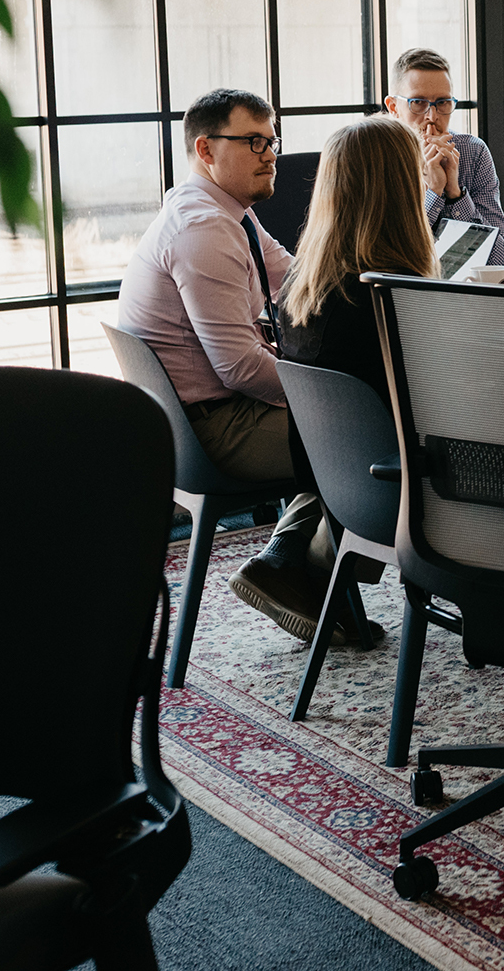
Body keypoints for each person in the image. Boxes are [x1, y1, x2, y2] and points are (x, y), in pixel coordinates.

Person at [117, 88, 345, 643]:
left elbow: (293, 278)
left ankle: (287, 564)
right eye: (253, 141)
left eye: (271, 140)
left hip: (200, 417)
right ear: (206, 149)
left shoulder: (225, 212)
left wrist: (353, 288)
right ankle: (298, 572)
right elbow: (240, 370)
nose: (271, 154)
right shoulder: (205, 229)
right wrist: (332, 394)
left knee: (356, 425)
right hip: (213, 427)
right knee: (370, 443)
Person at [277, 117, 435, 401]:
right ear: (403, 192)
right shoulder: (392, 299)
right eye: (419, 176)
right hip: (395, 444)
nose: (424, 186)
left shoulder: (300, 282)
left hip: (320, 446)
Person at [383, 47, 504, 265]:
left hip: (468, 294)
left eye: (442, 103)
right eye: (418, 103)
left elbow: (499, 258)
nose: (432, 117)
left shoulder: (473, 152)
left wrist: (455, 194)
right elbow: (393, 261)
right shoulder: (378, 158)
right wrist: (433, 191)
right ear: (394, 107)